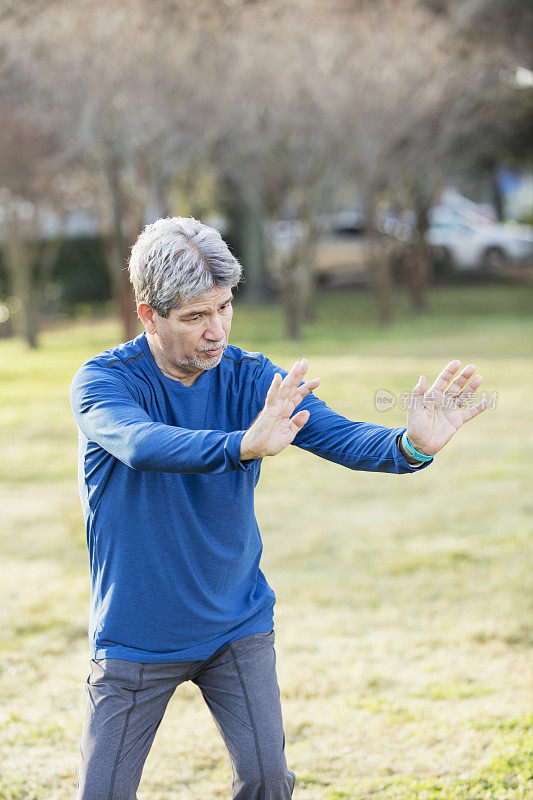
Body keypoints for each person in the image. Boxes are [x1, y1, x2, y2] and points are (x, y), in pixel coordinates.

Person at [70, 216, 488, 800]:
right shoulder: (104, 381)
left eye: (223, 307)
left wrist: (412, 444)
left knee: (269, 784)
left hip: (236, 624)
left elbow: (340, 437)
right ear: (148, 314)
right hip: (136, 637)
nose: (215, 330)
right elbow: (141, 445)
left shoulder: (248, 378)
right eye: (194, 316)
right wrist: (242, 444)